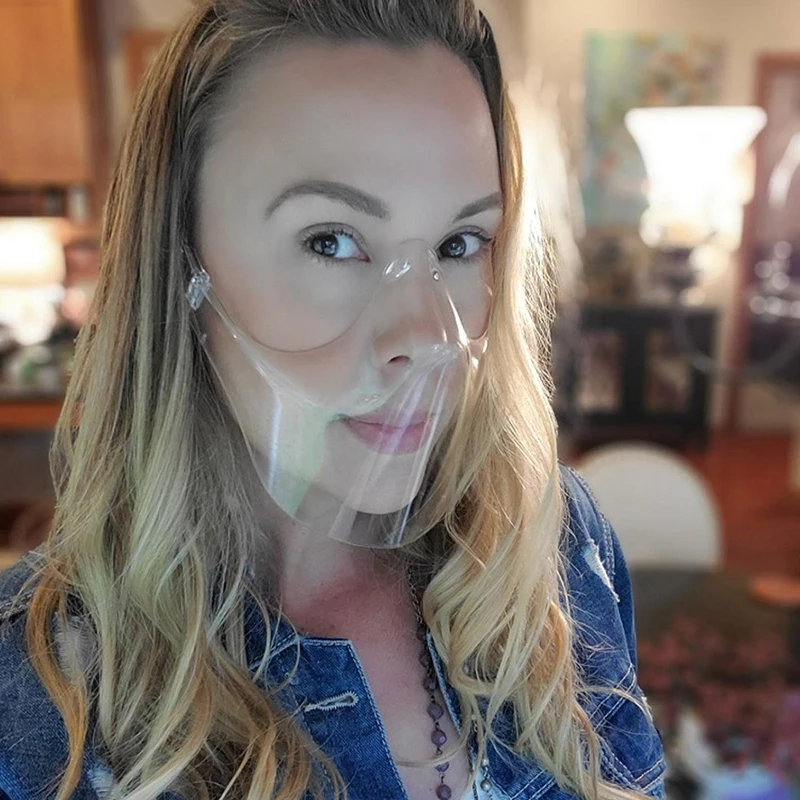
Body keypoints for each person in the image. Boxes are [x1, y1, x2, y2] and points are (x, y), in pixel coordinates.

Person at [0, 1, 665, 799]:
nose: (432, 336)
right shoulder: (37, 699)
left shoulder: (555, 545)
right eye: (332, 241)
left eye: (460, 244)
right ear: (180, 257)